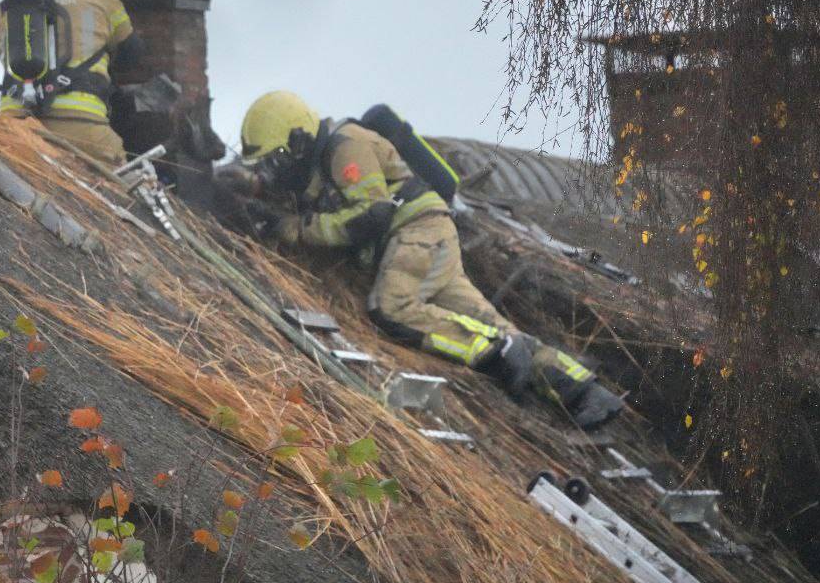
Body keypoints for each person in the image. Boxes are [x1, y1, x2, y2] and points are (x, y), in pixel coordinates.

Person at [234, 91, 624, 430]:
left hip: (416, 231)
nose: (274, 171)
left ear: (298, 141)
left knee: (392, 308)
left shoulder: (345, 147)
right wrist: (251, 188)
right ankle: (583, 392)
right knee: (482, 314)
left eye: (276, 160)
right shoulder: (323, 162)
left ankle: (495, 350)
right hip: (431, 235)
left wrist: (292, 228)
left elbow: (371, 215)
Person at [0, 0, 145, 164]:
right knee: (121, 193)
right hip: (84, 130)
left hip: (16, 131)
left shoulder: (3, 10)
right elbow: (131, 52)